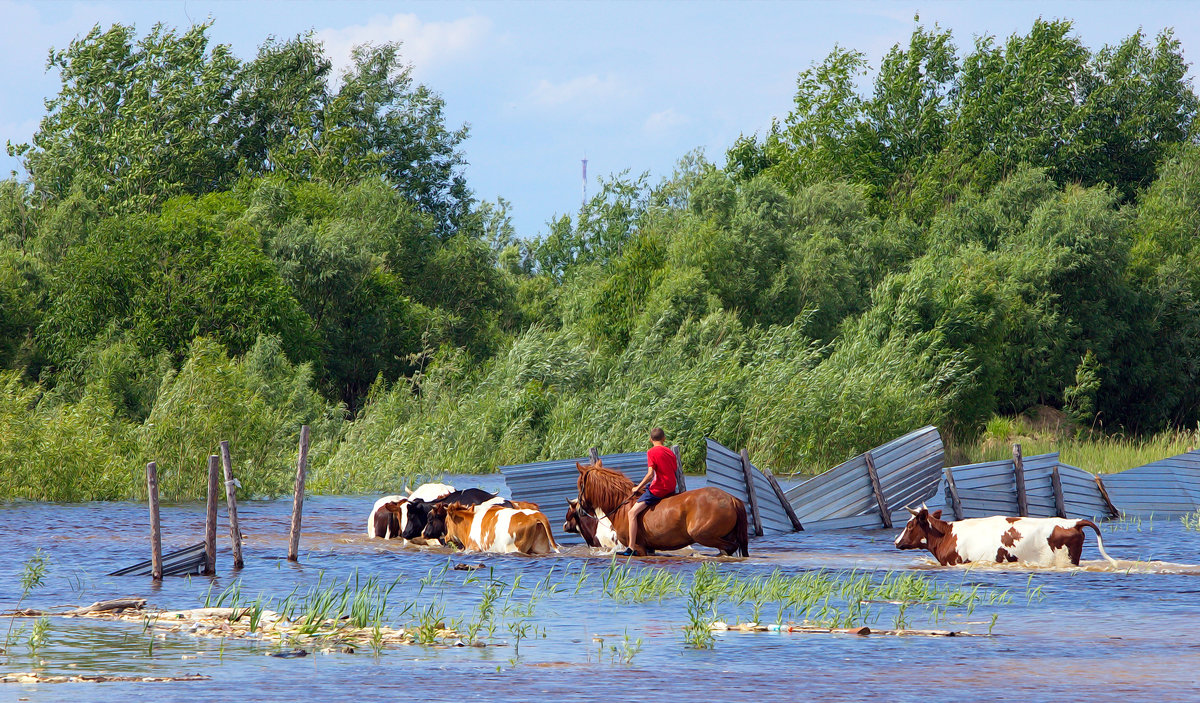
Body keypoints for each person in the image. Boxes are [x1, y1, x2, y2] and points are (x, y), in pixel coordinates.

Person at [620, 427, 677, 557]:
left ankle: (631, 547)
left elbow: (650, 474)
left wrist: (638, 487)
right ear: (664, 439)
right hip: (671, 486)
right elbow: (673, 469)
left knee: (632, 513)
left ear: (651, 439)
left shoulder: (651, 452)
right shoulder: (670, 452)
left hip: (660, 488)